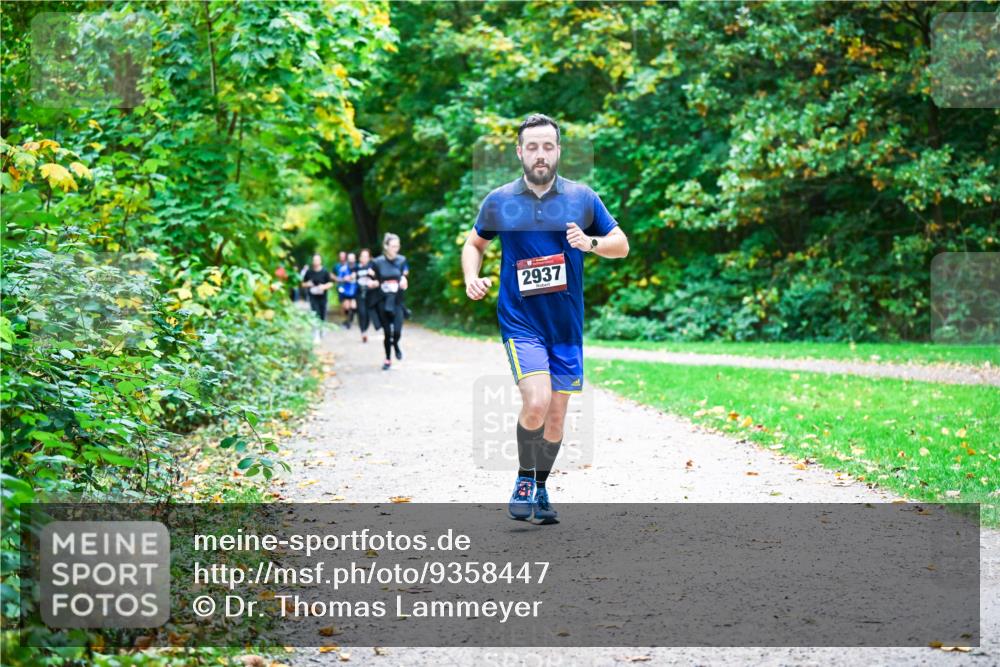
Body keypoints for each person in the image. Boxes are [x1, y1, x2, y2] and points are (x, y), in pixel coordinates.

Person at [461, 113, 629, 525]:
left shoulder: (582, 197)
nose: (540, 154)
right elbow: (474, 243)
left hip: (565, 326)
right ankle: (523, 480)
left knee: (555, 417)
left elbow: (620, 245)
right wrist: (471, 276)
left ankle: (539, 485)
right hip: (521, 321)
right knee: (535, 401)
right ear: (520, 151)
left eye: (548, 146)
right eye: (532, 146)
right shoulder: (500, 201)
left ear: (558, 151)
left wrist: (590, 243)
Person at [368, 233, 409, 370]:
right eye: (393, 246)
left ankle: (396, 344)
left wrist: (404, 280)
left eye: (397, 246)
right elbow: (369, 278)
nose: (395, 249)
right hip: (382, 300)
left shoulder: (402, 260)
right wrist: (372, 283)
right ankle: (387, 359)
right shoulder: (377, 262)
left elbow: (404, 274)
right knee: (387, 332)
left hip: (397, 300)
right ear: (386, 246)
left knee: (397, 331)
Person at [301, 253, 334, 343]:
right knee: (315, 313)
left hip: (323, 296)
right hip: (312, 296)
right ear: (312, 261)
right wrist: (308, 284)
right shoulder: (309, 272)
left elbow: (331, 283)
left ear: (320, 261)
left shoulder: (325, 272)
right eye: (314, 260)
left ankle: (322, 328)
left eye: (317, 260)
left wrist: (323, 287)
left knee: (322, 314)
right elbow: (302, 283)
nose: (316, 262)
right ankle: (316, 333)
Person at [354, 248, 374, 343]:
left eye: (366, 256)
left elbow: (379, 277)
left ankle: (365, 329)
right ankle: (363, 332)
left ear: (369, 257)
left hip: (370, 293)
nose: (364, 258)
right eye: (362, 256)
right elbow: (351, 277)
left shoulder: (373, 266)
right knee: (361, 312)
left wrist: (373, 274)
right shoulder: (356, 267)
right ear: (359, 258)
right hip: (359, 292)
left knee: (368, 314)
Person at [338, 251, 358, 329]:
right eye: (350, 259)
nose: (351, 260)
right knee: (346, 307)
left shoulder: (358, 267)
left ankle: (349, 321)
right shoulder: (343, 269)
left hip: (355, 290)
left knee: (353, 307)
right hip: (346, 290)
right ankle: (347, 321)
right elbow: (339, 279)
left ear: (355, 259)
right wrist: (344, 279)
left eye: (352, 258)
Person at [334, 250, 351, 327]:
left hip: (350, 288)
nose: (342, 258)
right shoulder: (336, 266)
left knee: (349, 305)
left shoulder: (349, 265)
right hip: (340, 287)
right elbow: (331, 275)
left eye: (343, 256)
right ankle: (346, 320)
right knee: (343, 305)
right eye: (341, 256)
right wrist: (337, 279)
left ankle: (348, 319)